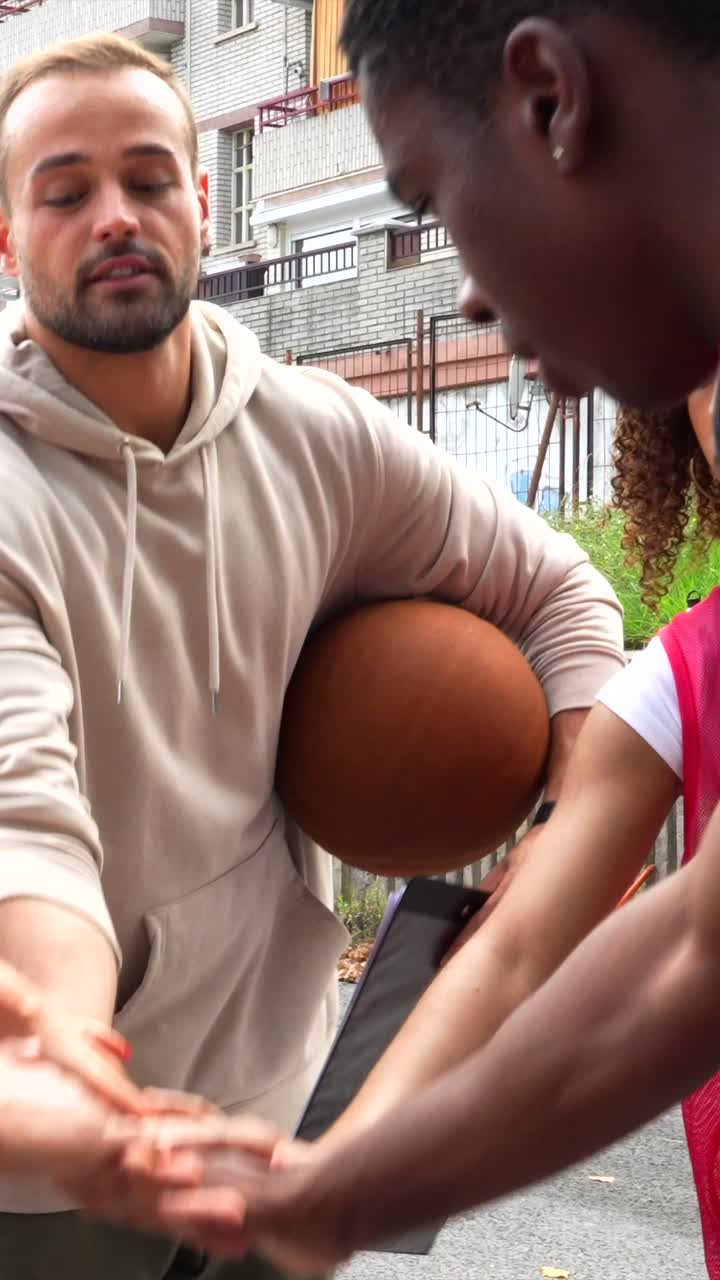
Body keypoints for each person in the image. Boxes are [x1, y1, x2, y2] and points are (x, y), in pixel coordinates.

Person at [0, 29, 624, 1280]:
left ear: (205, 197)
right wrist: (63, 1057)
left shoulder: (317, 437)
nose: (114, 215)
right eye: (64, 192)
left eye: (148, 176)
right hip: (61, 1160)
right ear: (7, 238)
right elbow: (26, 824)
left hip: (279, 1114)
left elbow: (560, 590)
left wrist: (572, 817)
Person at [108, 0, 720, 1272]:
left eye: (432, 198)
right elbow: (675, 943)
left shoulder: (310, 440)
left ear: (551, 98)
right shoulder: (687, 670)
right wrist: (337, 1189)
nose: (466, 290)